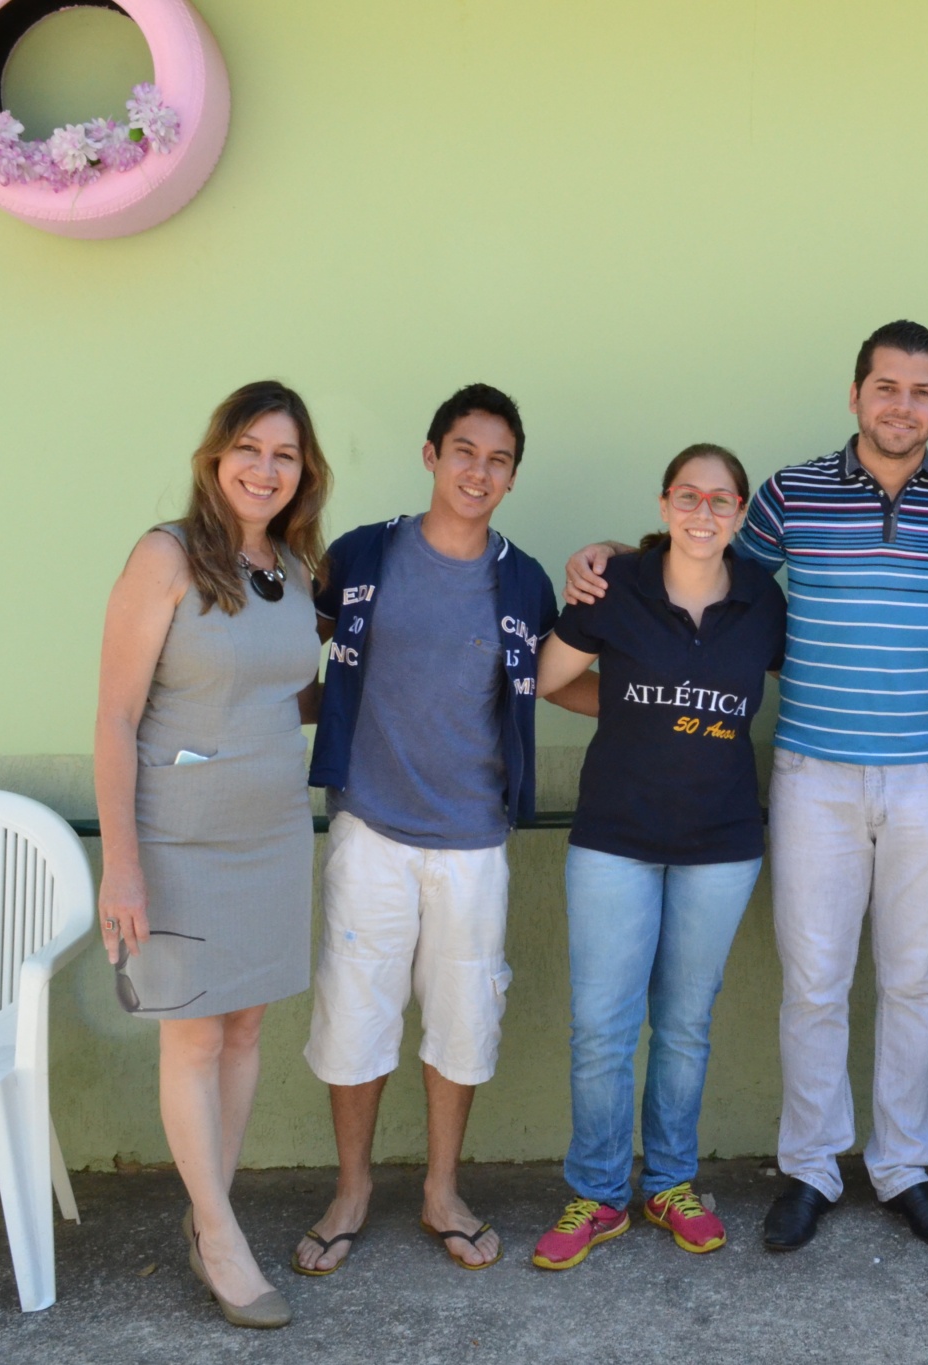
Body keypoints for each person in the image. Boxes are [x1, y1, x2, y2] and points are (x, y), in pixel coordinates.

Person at [567, 322, 928, 1251]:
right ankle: (810, 1167)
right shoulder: (787, 496)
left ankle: (901, 1167)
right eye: (885, 387)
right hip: (812, 770)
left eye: (922, 391)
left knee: (915, 980)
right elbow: (708, 572)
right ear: (855, 396)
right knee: (814, 982)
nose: (902, 406)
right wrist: (615, 550)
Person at [292, 384, 597, 1276]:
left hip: (473, 838)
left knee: (464, 1020)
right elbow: (291, 650)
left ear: (511, 476)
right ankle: (351, 1189)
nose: (479, 470)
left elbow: (551, 680)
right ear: (432, 455)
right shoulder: (362, 555)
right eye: (464, 450)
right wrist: (249, 707)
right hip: (370, 828)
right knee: (355, 1015)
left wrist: (646, 704)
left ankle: (440, 1189)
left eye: (498, 458)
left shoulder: (524, 578)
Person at [95, 380, 333, 1329]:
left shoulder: (293, 566)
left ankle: (210, 1216)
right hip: (177, 835)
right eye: (249, 447)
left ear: (303, 473)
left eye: (284, 455)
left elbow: (287, 694)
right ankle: (222, 1237)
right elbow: (115, 715)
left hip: (273, 830)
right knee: (192, 1031)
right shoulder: (166, 556)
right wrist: (122, 864)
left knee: (243, 1031)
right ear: (215, 455)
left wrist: (375, 672)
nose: (265, 468)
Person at [528, 444, 787, 1270]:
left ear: (741, 513)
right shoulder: (620, 585)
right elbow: (547, 678)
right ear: (665, 501)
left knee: (683, 1024)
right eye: (688, 495)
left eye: (721, 499)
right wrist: (630, 703)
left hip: (720, 844)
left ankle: (670, 1181)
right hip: (617, 837)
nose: (703, 511)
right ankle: (599, 1193)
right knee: (603, 1025)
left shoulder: (762, 601)